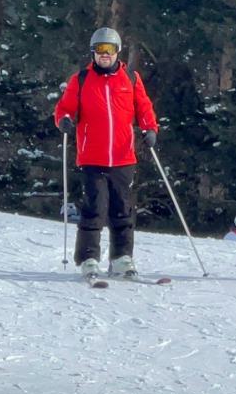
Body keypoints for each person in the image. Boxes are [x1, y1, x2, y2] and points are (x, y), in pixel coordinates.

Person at [53, 27, 158, 281]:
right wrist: (65, 121)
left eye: (109, 50)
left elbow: (144, 107)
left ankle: (121, 257)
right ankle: (88, 257)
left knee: (122, 208)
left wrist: (150, 128)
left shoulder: (130, 79)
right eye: (99, 50)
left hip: (123, 156)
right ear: (93, 53)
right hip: (92, 156)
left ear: (117, 52)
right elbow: (63, 109)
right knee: (94, 208)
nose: (104, 55)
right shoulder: (81, 79)